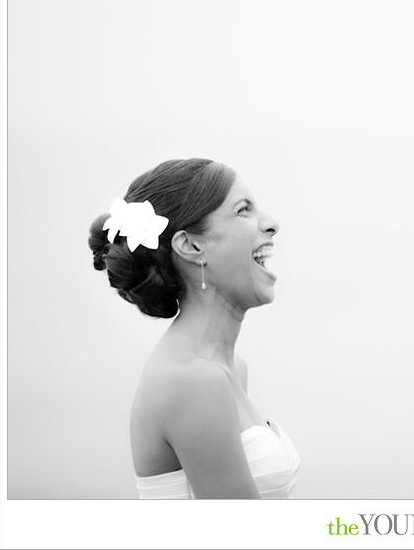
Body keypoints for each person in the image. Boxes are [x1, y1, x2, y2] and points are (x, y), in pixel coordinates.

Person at [88, 158, 301, 498]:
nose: (272, 224)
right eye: (243, 210)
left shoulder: (227, 370)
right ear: (191, 246)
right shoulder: (194, 382)